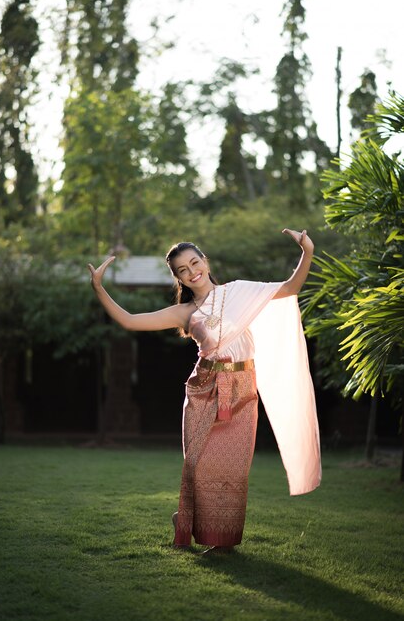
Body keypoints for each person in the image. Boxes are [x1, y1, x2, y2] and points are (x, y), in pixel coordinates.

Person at [88, 229, 321, 555]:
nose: (191, 271)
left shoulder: (240, 292)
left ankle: (222, 541)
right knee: (197, 465)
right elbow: (129, 321)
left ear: (205, 261)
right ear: (178, 278)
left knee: (232, 469)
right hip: (203, 389)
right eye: (182, 270)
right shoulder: (186, 313)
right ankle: (191, 520)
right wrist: (99, 288)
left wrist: (306, 251)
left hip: (242, 389)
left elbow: (291, 287)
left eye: (194, 262)